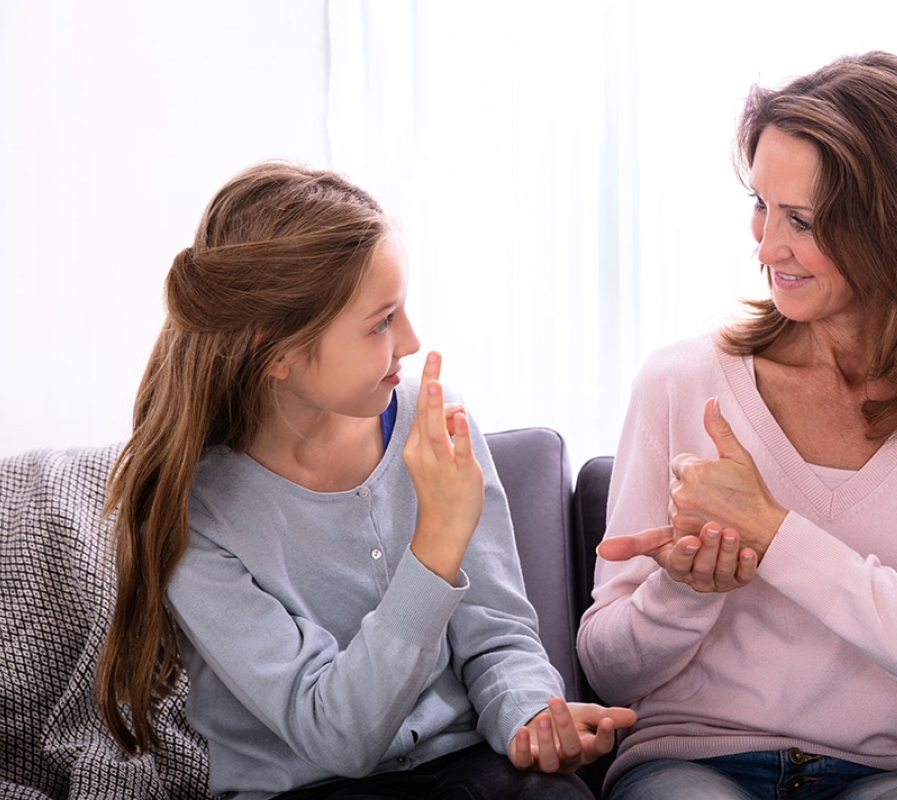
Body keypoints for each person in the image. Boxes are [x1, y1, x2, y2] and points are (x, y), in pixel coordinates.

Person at [576, 51, 897, 800]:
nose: (767, 246)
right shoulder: (682, 384)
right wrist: (683, 593)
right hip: (690, 764)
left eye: (802, 221)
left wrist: (777, 536)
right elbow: (605, 668)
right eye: (760, 204)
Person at [97, 161, 635, 800]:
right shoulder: (195, 512)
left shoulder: (433, 424)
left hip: (469, 766)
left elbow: (497, 633)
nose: (409, 340)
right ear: (279, 353)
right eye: (381, 321)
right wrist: (435, 543)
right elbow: (336, 736)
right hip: (309, 787)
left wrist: (529, 716)